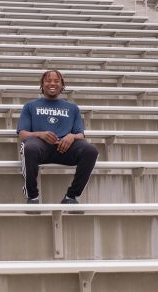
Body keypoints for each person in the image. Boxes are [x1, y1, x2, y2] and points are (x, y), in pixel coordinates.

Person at [17, 70, 99, 210]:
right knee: (28, 147)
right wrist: (40, 134)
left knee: (91, 150)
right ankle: (33, 196)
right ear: (42, 84)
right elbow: (22, 134)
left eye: (56, 81)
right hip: (40, 147)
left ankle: (71, 197)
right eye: (48, 80)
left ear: (62, 85)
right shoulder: (30, 106)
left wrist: (71, 136)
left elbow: (81, 135)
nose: (52, 83)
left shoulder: (72, 108)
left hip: (65, 148)